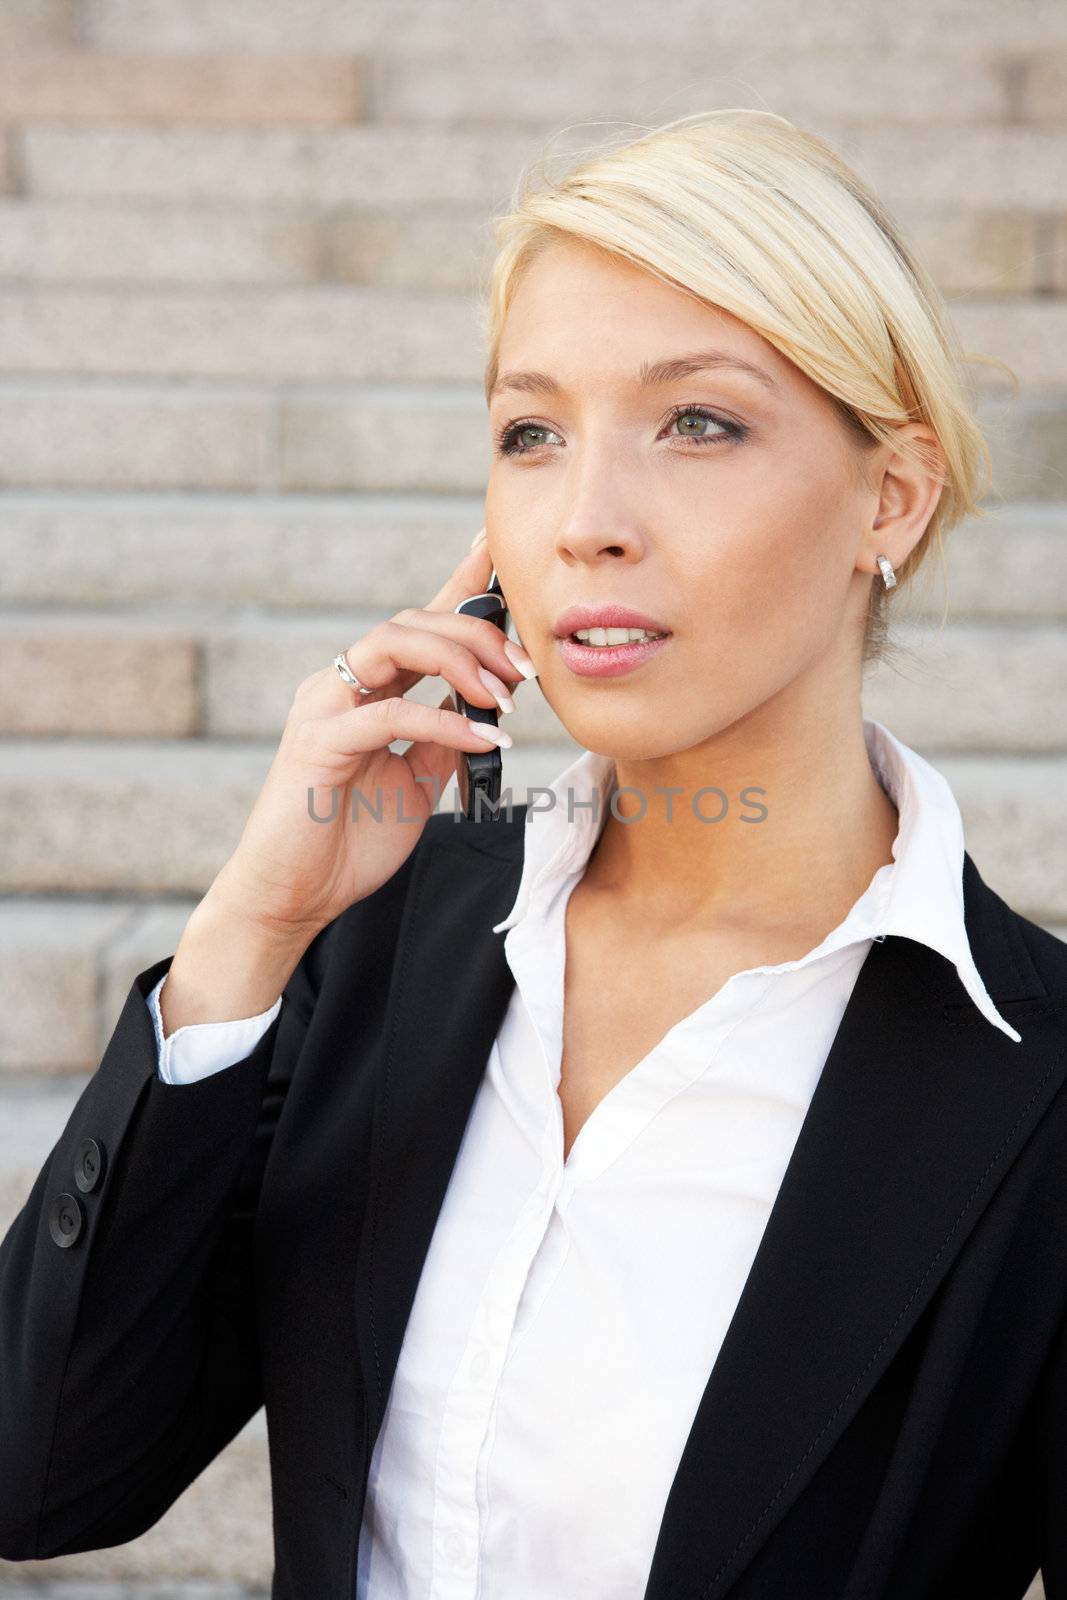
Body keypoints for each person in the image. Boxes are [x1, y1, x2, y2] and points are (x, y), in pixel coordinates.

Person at [1, 108, 1065, 1600]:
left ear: (890, 495)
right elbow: (41, 1474)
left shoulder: (1038, 1079)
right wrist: (252, 927)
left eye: (699, 421)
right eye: (531, 433)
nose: (587, 521)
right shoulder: (374, 952)